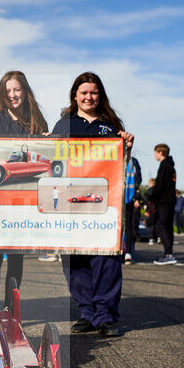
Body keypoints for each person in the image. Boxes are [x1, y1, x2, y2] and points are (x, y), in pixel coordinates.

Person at [52, 72, 133, 338]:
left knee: (106, 261)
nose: (89, 97)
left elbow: (119, 167)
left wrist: (128, 148)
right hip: (69, 203)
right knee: (76, 262)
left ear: (100, 96)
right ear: (74, 96)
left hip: (104, 205)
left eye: (94, 93)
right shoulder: (64, 125)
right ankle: (87, 313)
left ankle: (105, 316)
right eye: (84, 92)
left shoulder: (110, 126)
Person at [0, 71, 48, 301]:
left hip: (23, 198)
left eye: (17, 90)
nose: (13, 95)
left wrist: (48, 140)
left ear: (25, 92)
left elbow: (45, 153)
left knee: (16, 255)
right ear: (2, 94)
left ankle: (10, 309)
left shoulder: (36, 121)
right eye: (8, 91)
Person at [147, 143, 177, 265]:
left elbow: (160, 186)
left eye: (155, 153)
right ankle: (169, 254)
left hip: (164, 202)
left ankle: (169, 255)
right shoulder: (171, 166)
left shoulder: (164, 166)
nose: (154, 155)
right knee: (168, 227)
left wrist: (152, 197)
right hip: (170, 201)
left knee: (160, 226)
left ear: (160, 152)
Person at [123, 156, 142, 264]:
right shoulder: (133, 161)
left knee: (120, 226)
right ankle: (128, 252)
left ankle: (122, 251)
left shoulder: (112, 155)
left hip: (117, 196)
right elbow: (138, 179)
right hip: (129, 196)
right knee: (129, 226)